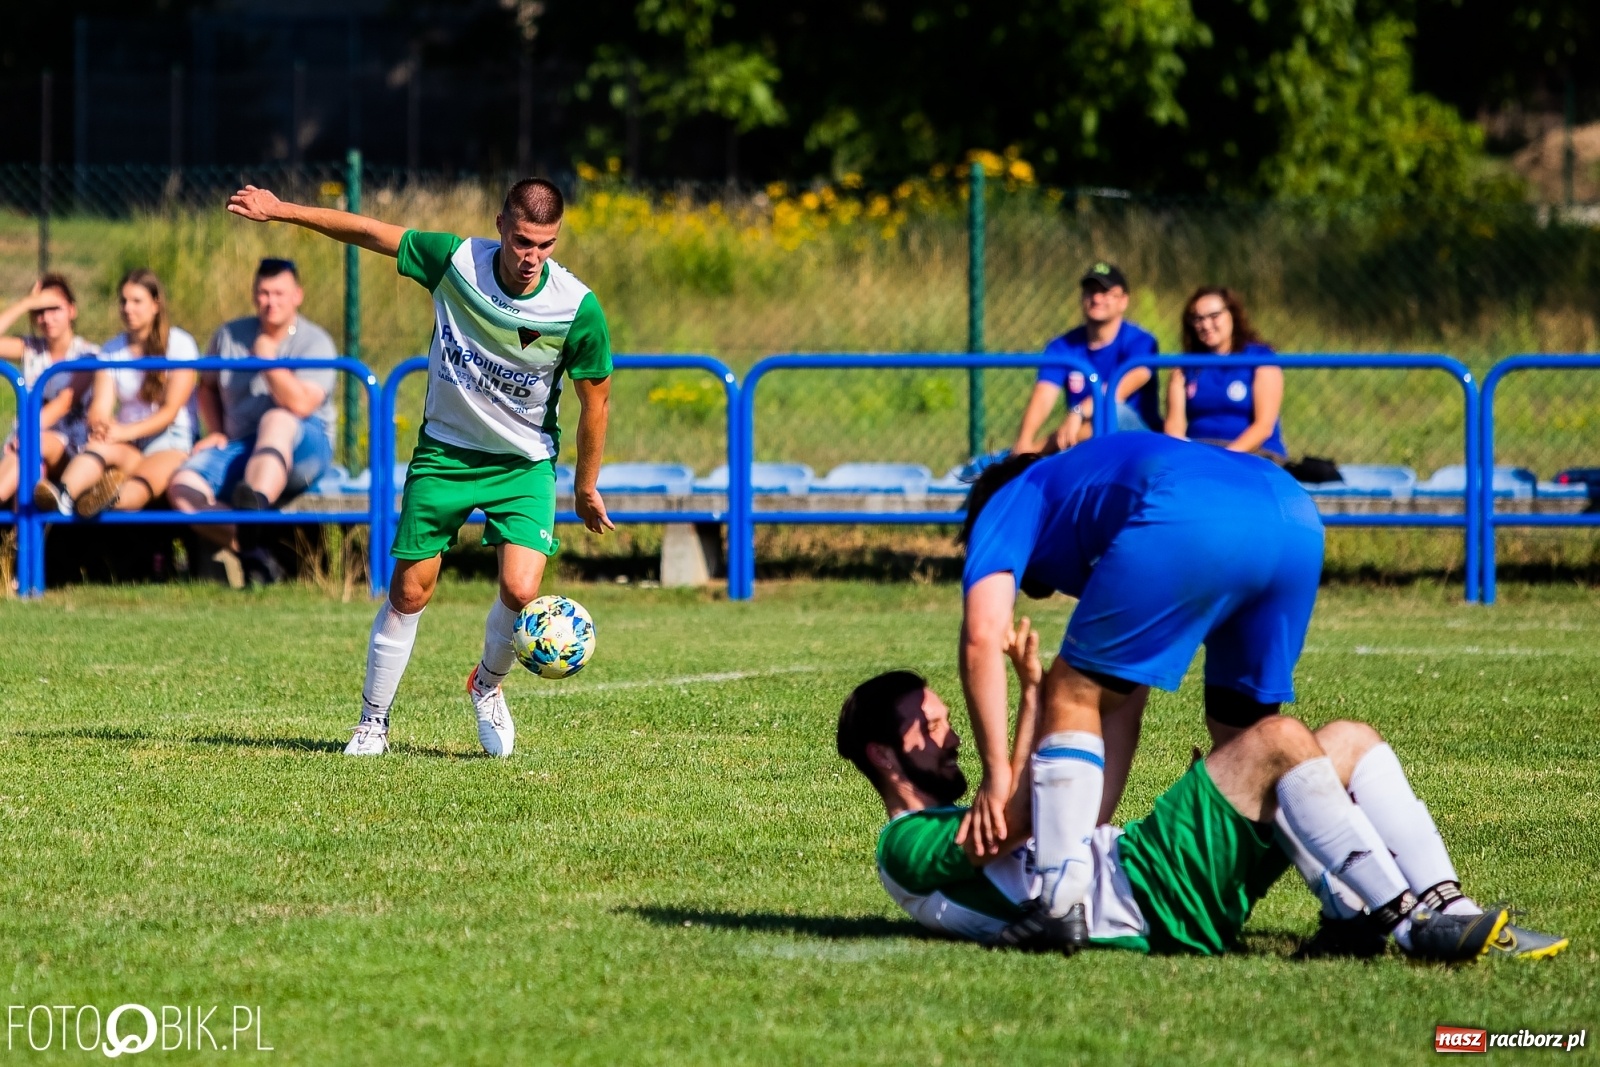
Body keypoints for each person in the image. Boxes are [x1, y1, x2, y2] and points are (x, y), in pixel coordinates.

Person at [223, 177, 613, 759]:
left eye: (547, 245)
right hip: (446, 453)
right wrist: (283, 212)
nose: (532, 257)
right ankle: (372, 723)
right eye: (524, 241)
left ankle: (486, 685)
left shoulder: (576, 308)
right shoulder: (455, 261)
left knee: (521, 587)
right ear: (501, 224)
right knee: (409, 591)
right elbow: (369, 231)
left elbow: (596, 401)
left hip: (523, 461)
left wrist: (585, 485)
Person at [836, 658, 1568, 959]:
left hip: (1149, 871)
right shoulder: (904, 845)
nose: (950, 730)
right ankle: (1406, 926)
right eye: (926, 725)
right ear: (881, 755)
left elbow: (1091, 798)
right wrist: (1037, 698)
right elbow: (1022, 814)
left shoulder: (966, 818)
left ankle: (1441, 904)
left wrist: (1134, 669)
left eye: (942, 716)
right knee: (1278, 739)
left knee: (1346, 740)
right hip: (1146, 893)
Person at [955, 433, 1323, 950]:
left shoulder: (1009, 498)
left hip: (1196, 508)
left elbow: (981, 635)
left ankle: (1057, 907)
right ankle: (1382, 901)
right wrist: (1079, 834)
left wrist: (995, 777)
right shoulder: (1092, 496)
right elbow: (1121, 704)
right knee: (1254, 744)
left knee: (1070, 686)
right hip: (1294, 510)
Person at [166, 258, 338, 585]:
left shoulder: (315, 341)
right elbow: (207, 386)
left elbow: (300, 404)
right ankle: (252, 547)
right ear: (253, 295)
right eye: (263, 293)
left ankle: (253, 506)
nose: (270, 301)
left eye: (279, 293)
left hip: (303, 446)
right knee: (182, 486)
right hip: (240, 446)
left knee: (277, 418)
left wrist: (266, 355)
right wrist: (216, 430)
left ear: (297, 295)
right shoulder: (229, 336)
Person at [42, 269, 200, 518]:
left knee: (142, 483)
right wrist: (102, 426)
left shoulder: (181, 344)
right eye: (123, 301)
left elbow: (170, 411)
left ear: (156, 304)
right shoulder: (112, 349)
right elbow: (100, 406)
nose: (127, 308)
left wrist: (123, 431)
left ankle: (98, 502)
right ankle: (63, 495)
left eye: (137, 301)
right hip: (128, 439)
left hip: (171, 440)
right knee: (98, 446)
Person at [1012, 262, 1159, 455]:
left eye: (1106, 292)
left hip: (1138, 444)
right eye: (1091, 291)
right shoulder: (1062, 346)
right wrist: (1024, 440)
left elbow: (1119, 390)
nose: (1097, 298)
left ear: (1124, 300)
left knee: (1110, 415)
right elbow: (1044, 395)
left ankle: (1032, 457)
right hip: (1081, 441)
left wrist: (1078, 412)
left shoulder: (1142, 342)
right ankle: (1023, 458)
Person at [0, 276, 97, 507]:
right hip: (26, 444)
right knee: (28, 462)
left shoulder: (87, 354)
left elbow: (65, 402)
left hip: (70, 449)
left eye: (55, 309)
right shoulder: (32, 349)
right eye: (40, 311)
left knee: (32, 446)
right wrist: (26, 303)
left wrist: (25, 431)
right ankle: (17, 540)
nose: (47, 318)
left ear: (72, 310)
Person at [1165, 286, 1287, 461]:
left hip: (1253, 454)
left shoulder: (1261, 358)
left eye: (1214, 316)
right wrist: (1184, 458)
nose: (1206, 325)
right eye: (1198, 319)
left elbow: (1263, 427)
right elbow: (1174, 425)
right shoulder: (1184, 366)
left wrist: (1225, 459)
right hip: (1201, 452)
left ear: (1233, 315)